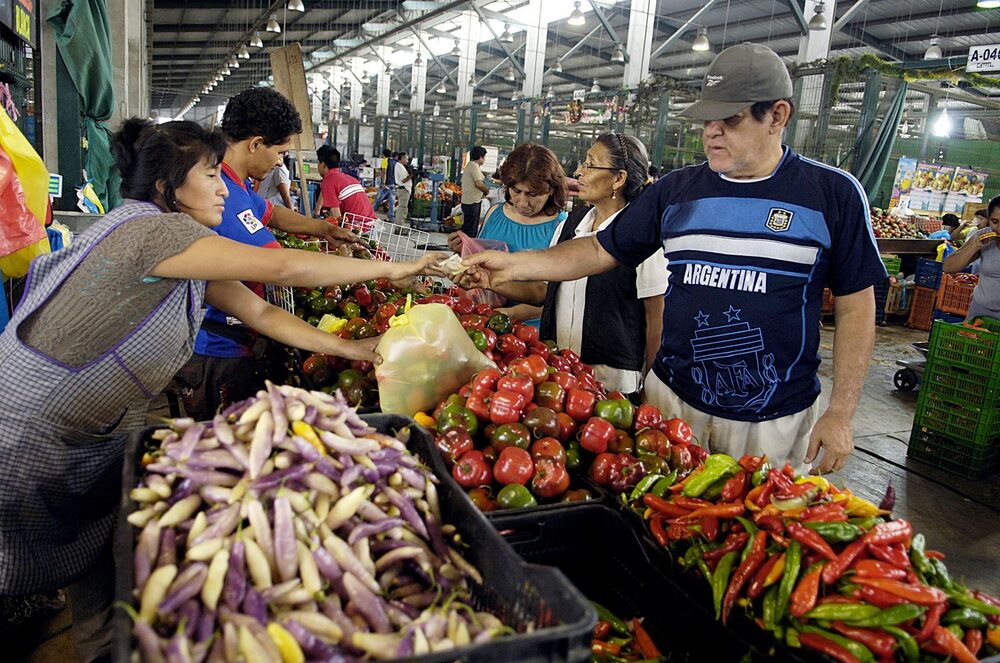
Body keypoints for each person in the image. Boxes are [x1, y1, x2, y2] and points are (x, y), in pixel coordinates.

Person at [0, 118, 444, 660]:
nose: (222, 187)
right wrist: (393, 269)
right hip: (36, 420)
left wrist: (355, 350)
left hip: (82, 419)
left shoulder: (180, 248)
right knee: (20, 548)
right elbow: (281, 265)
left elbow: (258, 309)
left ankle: (101, 647)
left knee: (100, 543)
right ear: (167, 187)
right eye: (210, 174)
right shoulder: (155, 232)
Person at [464, 43, 886, 475]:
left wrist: (841, 411)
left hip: (772, 416)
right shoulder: (677, 191)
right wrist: (513, 266)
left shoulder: (831, 195)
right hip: (675, 403)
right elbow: (598, 248)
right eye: (708, 120)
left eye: (731, 119)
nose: (712, 132)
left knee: (756, 522)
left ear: (777, 116)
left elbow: (856, 305)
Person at [171, 87, 356, 421]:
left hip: (236, 336)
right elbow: (284, 266)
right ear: (255, 144)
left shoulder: (234, 183)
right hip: (219, 353)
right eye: (281, 151)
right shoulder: (219, 200)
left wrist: (322, 228)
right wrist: (386, 270)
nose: (280, 161)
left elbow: (269, 211)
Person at [457, 133, 666, 395]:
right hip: (559, 376)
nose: (579, 171)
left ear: (619, 178)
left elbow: (655, 318)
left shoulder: (642, 239)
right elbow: (544, 292)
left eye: (590, 164)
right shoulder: (572, 226)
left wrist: (651, 387)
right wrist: (494, 280)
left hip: (612, 384)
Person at [449, 143, 568, 328]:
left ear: (551, 189)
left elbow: (557, 297)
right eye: (516, 191)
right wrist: (464, 251)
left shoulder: (561, 226)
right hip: (485, 321)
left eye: (533, 194)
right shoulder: (495, 214)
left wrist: (512, 314)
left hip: (531, 333)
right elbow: (481, 262)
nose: (523, 202)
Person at [943, 195, 1000, 321]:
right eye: (995, 222)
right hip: (980, 312)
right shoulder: (983, 236)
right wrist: (974, 246)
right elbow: (948, 267)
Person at [316, 145, 377, 222]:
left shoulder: (329, 182)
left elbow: (337, 219)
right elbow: (324, 193)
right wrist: (317, 212)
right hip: (372, 225)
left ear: (322, 164)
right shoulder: (349, 179)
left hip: (357, 228)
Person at [460, 146, 490, 239]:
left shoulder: (470, 165)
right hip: (472, 202)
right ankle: (467, 249)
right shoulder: (474, 166)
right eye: (484, 157)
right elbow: (479, 184)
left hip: (468, 201)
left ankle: (463, 248)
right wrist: (487, 190)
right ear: (480, 157)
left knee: (468, 227)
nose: (484, 160)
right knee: (471, 230)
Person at [372, 148, 398, 222]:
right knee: (392, 202)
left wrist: (383, 182)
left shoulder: (385, 161)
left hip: (386, 185)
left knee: (377, 200)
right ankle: (391, 218)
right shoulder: (394, 162)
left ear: (383, 155)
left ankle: (368, 214)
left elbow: (384, 172)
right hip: (393, 184)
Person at [394, 152, 413, 226]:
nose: (407, 161)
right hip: (403, 190)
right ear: (402, 158)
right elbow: (403, 180)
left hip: (404, 189)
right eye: (406, 159)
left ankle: (399, 227)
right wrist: (411, 175)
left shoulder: (400, 166)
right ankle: (399, 228)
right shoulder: (399, 167)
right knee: (402, 210)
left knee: (402, 209)